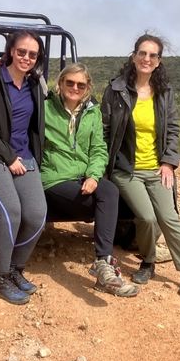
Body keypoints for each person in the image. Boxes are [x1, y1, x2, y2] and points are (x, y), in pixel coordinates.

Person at [101, 33, 180, 298]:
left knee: (168, 217)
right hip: (127, 170)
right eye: (142, 53)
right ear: (134, 56)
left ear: (158, 61)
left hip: (157, 168)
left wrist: (169, 162)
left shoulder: (164, 93)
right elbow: (104, 129)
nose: (147, 59)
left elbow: (172, 129)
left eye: (152, 55)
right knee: (146, 217)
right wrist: (103, 166)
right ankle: (148, 261)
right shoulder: (116, 90)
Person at [41, 64, 138, 297]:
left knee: (110, 191)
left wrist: (94, 176)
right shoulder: (44, 108)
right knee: (99, 205)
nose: (75, 88)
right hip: (54, 176)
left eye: (80, 85)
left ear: (87, 88)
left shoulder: (92, 112)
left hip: (83, 175)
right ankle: (104, 263)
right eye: (70, 83)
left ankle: (103, 263)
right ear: (60, 83)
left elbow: (98, 149)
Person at [0, 31, 48, 305]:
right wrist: (9, 156)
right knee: (11, 213)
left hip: (24, 156)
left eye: (33, 54)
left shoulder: (35, 84)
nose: (27, 58)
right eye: (22, 52)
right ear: (11, 51)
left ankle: (16, 269)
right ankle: (0, 278)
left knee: (37, 215)